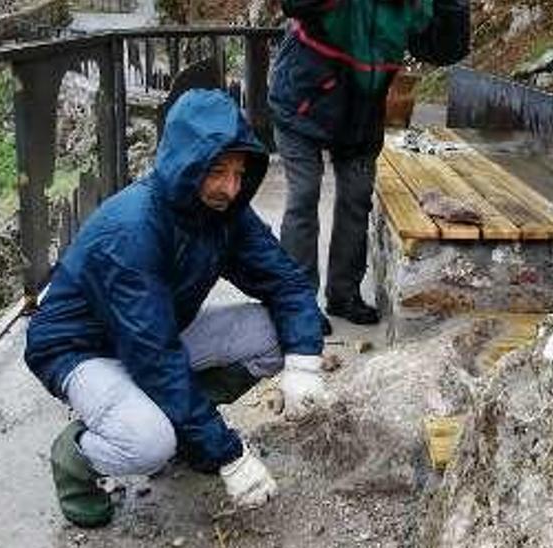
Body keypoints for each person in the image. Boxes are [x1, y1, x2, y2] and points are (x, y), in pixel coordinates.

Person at [24, 90, 328, 527]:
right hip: (81, 348)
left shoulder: (225, 212)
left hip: (157, 332)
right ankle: (76, 458)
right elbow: (155, 358)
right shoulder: (132, 230)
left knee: (283, 334)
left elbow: (285, 281)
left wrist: (304, 365)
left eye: (240, 173)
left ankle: (188, 429)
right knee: (150, 443)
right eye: (217, 171)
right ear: (187, 164)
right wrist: (230, 455)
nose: (231, 187)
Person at [270, 0, 471, 333]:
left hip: (361, 114)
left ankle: (343, 295)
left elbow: (443, 49)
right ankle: (298, 304)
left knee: (356, 198)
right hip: (301, 102)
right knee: (304, 196)